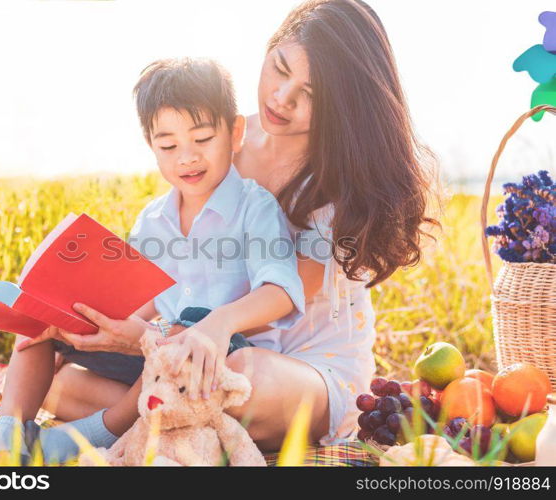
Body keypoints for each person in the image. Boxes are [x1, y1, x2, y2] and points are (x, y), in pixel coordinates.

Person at [39, 0, 439, 453]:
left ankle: (157, 422)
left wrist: (145, 340)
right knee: (60, 381)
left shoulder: (336, 186)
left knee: (243, 375)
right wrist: (117, 323)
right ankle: (180, 426)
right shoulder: (216, 137)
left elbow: (268, 304)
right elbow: (183, 264)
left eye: (309, 94)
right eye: (280, 68)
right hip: (197, 349)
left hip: (294, 371)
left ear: (342, 106)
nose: (281, 98)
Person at [0, 57, 306, 465]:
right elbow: (139, 302)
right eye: (168, 146)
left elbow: (280, 290)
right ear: (152, 146)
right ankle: (8, 433)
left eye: (202, 139)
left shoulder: (254, 207)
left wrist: (213, 325)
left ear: (235, 132)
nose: (186, 158)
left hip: (216, 359)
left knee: (185, 324)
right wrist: (83, 324)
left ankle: (93, 433)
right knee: (44, 317)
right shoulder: (153, 219)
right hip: (153, 350)